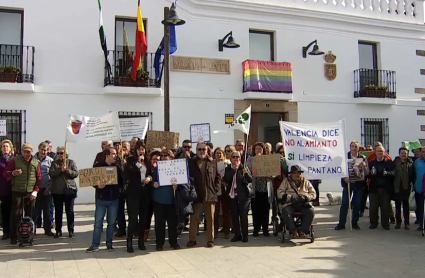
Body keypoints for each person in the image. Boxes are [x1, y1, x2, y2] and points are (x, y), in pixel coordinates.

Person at [86, 148, 124, 252]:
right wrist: (98, 186)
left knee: (111, 223)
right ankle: (95, 244)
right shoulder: (97, 166)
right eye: (113, 154)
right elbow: (92, 181)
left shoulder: (117, 167)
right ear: (107, 156)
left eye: (115, 154)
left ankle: (109, 244)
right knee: (98, 223)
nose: (115, 156)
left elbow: (122, 181)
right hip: (101, 199)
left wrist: (119, 190)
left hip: (114, 199)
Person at [3, 143, 41, 245]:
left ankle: (30, 236)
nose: (27, 154)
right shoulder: (15, 160)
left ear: (32, 152)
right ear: (22, 152)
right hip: (17, 191)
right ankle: (13, 237)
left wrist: (35, 191)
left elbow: (38, 178)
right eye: (25, 152)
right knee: (16, 215)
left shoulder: (36, 162)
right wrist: (13, 173)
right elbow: (5, 173)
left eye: (29, 152)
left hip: (30, 192)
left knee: (31, 214)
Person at [187, 142, 220, 248]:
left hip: (209, 194)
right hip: (195, 194)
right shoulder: (190, 162)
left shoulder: (212, 162)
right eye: (199, 149)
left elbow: (218, 177)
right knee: (194, 218)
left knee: (210, 218)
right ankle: (192, 239)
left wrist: (215, 189)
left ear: (207, 150)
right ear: (196, 150)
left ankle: (210, 240)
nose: (202, 151)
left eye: (204, 149)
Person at [124, 141, 152, 253]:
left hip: (144, 193)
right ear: (136, 150)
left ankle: (141, 241)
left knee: (143, 218)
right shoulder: (131, 160)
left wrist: (149, 178)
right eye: (139, 149)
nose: (141, 151)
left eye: (143, 149)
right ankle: (129, 242)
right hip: (133, 193)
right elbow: (129, 172)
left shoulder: (147, 161)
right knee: (133, 219)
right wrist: (138, 164)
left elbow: (150, 173)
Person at [335, 141, 368, 231]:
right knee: (345, 204)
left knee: (357, 204)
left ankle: (354, 223)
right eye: (352, 146)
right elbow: (340, 170)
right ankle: (341, 223)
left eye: (356, 146)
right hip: (347, 184)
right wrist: (344, 177)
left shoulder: (363, 158)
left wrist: (364, 167)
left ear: (358, 148)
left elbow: (367, 172)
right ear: (350, 147)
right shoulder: (345, 157)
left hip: (358, 184)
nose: (354, 148)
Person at [151, 149, 180, 251]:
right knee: (159, 224)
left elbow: (182, 181)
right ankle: (159, 243)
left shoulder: (176, 168)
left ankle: (173, 242)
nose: (163, 157)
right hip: (158, 200)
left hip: (171, 201)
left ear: (171, 157)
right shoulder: (156, 168)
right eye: (162, 155)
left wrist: (177, 186)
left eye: (166, 155)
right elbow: (151, 179)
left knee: (172, 223)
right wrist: (154, 183)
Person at [277, 165, 316, 237]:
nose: (296, 175)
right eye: (294, 173)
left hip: (303, 204)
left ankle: (303, 230)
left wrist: (306, 197)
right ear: (291, 174)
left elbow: (313, 193)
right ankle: (293, 231)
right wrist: (290, 198)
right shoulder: (286, 182)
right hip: (290, 203)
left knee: (311, 211)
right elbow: (279, 192)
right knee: (285, 211)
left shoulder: (306, 182)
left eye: (298, 173)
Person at [49, 146, 78, 238]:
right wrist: (60, 170)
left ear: (66, 154)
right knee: (58, 211)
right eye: (58, 153)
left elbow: (75, 173)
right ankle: (58, 230)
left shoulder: (71, 162)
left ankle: (71, 230)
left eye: (62, 153)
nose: (60, 155)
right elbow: (51, 174)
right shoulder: (54, 163)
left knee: (69, 211)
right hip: (57, 191)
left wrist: (66, 170)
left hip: (69, 190)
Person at [224, 151, 252, 242]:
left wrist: (245, 173)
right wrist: (233, 170)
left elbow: (249, 180)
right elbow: (226, 179)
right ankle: (237, 234)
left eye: (237, 157)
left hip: (243, 196)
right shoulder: (228, 168)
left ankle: (245, 235)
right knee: (234, 216)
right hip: (232, 196)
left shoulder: (243, 167)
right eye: (234, 157)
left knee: (243, 216)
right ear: (231, 158)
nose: (236, 159)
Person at [368, 146, 394, 230]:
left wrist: (387, 173)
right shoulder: (371, 163)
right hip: (374, 189)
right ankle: (373, 223)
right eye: (378, 151)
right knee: (373, 207)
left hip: (385, 189)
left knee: (385, 207)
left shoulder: (389, 162)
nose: (380, 153)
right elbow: (366, 175)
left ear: (384, 152)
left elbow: (394, 173)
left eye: (381, 151)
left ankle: (385, 224)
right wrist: (371, 173)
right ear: (375, 152)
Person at [34, 142, 54, 236]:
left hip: (46, 189)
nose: (43, 152)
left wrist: (49, 188)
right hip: (35, 189)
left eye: (45, 150)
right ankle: (32, 229)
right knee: (34, 210)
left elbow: (53, 176)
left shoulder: (50, 161)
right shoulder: (33, 159)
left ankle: (48, 229)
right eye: (42, 149)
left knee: (47, 211)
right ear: (38, 149)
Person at [393, 147, 414, 230]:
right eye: (402, 153)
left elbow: (412, 175)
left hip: (406, 188)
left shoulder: (410, 163)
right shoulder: (395, 162)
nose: (403, 155)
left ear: (407, 154)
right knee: (397, 206)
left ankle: (406, 223)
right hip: (397, 187)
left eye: (405, 153)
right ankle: (398, 222)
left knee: (406, 207)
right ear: (399, 154)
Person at [0, 139, 15, 240]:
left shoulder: (16, 159)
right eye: (3, 146)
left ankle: (14, 231)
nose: (5, 148)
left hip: (15, 189)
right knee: (4, 211)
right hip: (3, 189)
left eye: (7, 146)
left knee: (14, 212)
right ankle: (6, 231)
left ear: (10, 148)